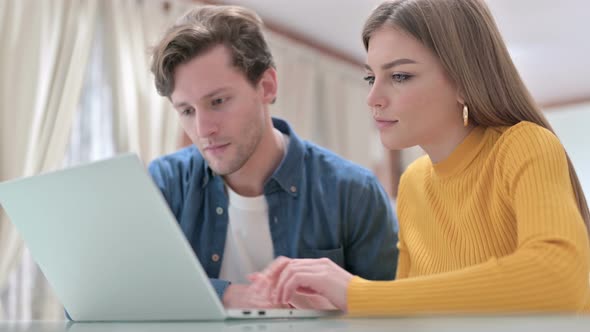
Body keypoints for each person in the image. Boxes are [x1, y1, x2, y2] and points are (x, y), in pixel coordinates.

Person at [251, 0, 590, 315]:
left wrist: (358, 294)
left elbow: (560, 277)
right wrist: (339, 309)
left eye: (400, 76)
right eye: (371, 77)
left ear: (464, 81)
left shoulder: (524, 145)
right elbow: (414, 310)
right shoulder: (413, 183)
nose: (373, 97)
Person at [147, 5, 398, 309]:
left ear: (266, 86)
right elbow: (122, 289)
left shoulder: (354, 192)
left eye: (217, 101)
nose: (202, 130)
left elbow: (394, 314)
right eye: (186, 110)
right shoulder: (161, 185)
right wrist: (231, 295)